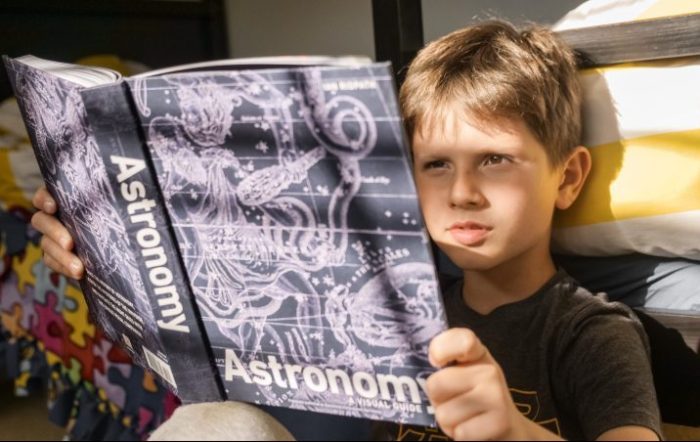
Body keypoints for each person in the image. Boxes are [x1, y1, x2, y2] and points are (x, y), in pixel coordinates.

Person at [31, 21, 662, 441]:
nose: (462, 191)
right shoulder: (393, 294)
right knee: (214, 423)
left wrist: (514, 432)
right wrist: (101, 248)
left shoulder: (588, 330)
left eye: (495, 160)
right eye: (435, 165)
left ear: (569, 177)